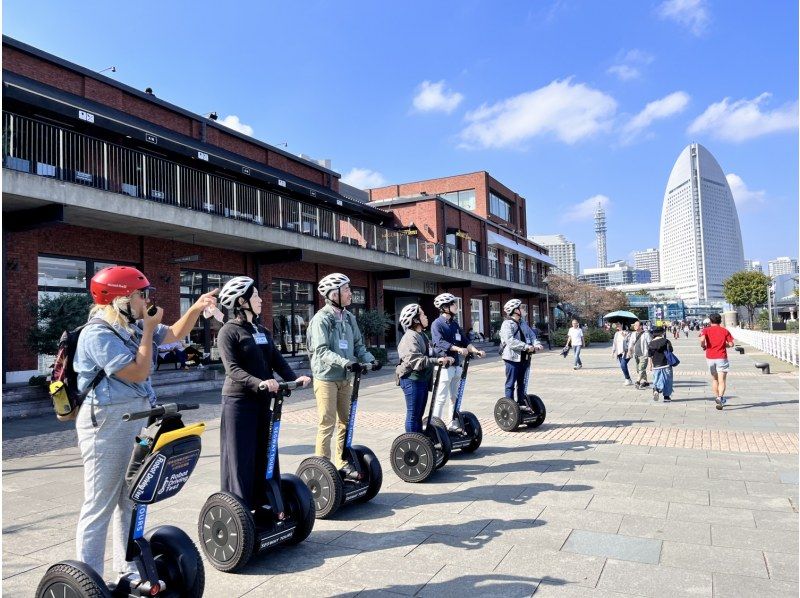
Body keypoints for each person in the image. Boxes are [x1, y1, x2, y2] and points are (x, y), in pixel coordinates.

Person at [74, 265, 217, 581]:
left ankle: (127, 568)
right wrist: (150, 330)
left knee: (132, 496)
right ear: (119, 299)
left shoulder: (134, 327)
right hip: (106, 423)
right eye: (141, 294)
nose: (147, 299)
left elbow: (176, 335)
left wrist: (194, 307)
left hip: (138, 419)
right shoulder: (96, 333)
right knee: (101, 503)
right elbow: (138, 372)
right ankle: (90, 579)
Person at [216, 276, 311, 511]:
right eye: (255, 295)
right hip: (238, 402)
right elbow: (233, 369)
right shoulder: (228, 331)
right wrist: (259, 382)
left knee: (266, 451)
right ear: (242, 300)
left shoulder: (262, 330)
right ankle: (241, 509)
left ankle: (266, 501)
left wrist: (293, 378)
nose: (260, 299)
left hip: (262, 401)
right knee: (241, 458)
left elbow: (276, 359)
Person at [307, 273, 376, 475]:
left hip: (346, 378)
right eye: (345, 289)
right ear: (332, 294)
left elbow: (358, 345)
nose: (350, 293)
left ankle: (342, 462)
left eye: (348, 289)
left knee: (346, 422)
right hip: (326, 378)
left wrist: (371, 359)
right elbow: (321, 351)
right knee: (327, 423)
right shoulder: (321, 319)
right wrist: (347, 363)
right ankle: (322, 469)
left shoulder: (349, 317)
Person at [431, 293, 486, 432]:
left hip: (456, 366)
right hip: (445, 366)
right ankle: (435, 426)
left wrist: (475, 350)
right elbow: (440, 342)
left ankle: (452, 423)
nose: (456, 306)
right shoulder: (437, 324)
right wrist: (458, 349)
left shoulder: (454, 324)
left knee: (454, 397)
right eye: (453, 304)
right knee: (441, 398)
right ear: (444, 307)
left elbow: (465, 341)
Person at [396, 304, 453, 433]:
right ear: (415, 319)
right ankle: (412, 443)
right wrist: (437, 360)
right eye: (422, 314)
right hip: (411, 379)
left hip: (422, 379)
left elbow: (431, 352)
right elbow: (415, 360)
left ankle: (420, 443)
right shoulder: (410, 337)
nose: (426, 316)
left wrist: (444, 357)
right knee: (413, 415)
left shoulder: (422, 335)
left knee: (419, 415)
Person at [500, 299, 542, 405]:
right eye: (521, 307)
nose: (523, 309)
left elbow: (531, 335)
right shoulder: (507, 324)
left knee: (521, 382)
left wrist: (536, 343)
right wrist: (526, 346)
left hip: (524, 357)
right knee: (510, 383)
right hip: (512, 358)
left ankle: (521, 404)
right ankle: (510, 406)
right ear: (515, 310)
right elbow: (510, 341)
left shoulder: (523, 323)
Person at [700, 312, 735, 410]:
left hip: (710, 358)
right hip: (721, 357)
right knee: (722, 380)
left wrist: (703, 345)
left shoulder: (706, 330)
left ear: (710, 321)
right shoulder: (724, 331)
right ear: (720, 321)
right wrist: (725, 345)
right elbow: (731, 344)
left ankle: (717, 397)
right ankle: (720, 397)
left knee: (714, 379)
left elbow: (702, 340)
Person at [648, 326, 674, 402]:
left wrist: (650, 365)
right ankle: (666, 397)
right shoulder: (666, 341)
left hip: (656, 364)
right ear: (662, 333)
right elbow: (671, 350)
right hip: (666, 363)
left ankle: (656, 390)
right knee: (668, 380)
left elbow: (650, 355)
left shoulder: (651, 343)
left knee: (656, 379)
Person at [627, 320, 652, 389]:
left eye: (636, 325)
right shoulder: (633, 334)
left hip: (644, 354)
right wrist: (629, 351)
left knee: (641, 368)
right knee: (639, 369)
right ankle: (646, 383)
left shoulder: (646, 334)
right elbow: (631, 343)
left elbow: (650, 344)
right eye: (634, 325)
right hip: (636, 354)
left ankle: (637, 382)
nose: (634, 326)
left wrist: (651, 356)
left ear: (640, 326)